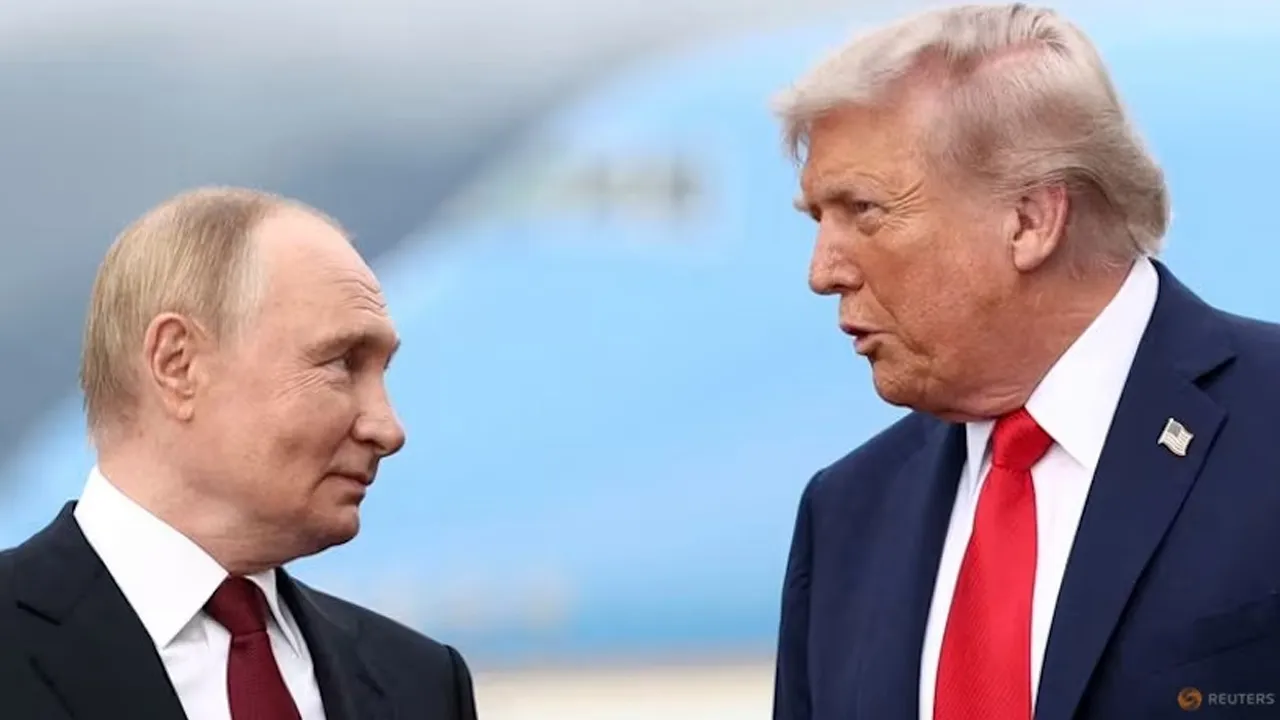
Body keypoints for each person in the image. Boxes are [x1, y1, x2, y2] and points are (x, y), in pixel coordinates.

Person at [770, 4, 1280, 720]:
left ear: (1031, 220)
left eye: (864, 210)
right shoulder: (847, 514)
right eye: (818, 219)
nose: (824, 271)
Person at [0, 187, 478, 720]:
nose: (388, 429)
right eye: (342, 363)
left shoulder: (421, 683)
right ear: (178, 364)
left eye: (381, 372)